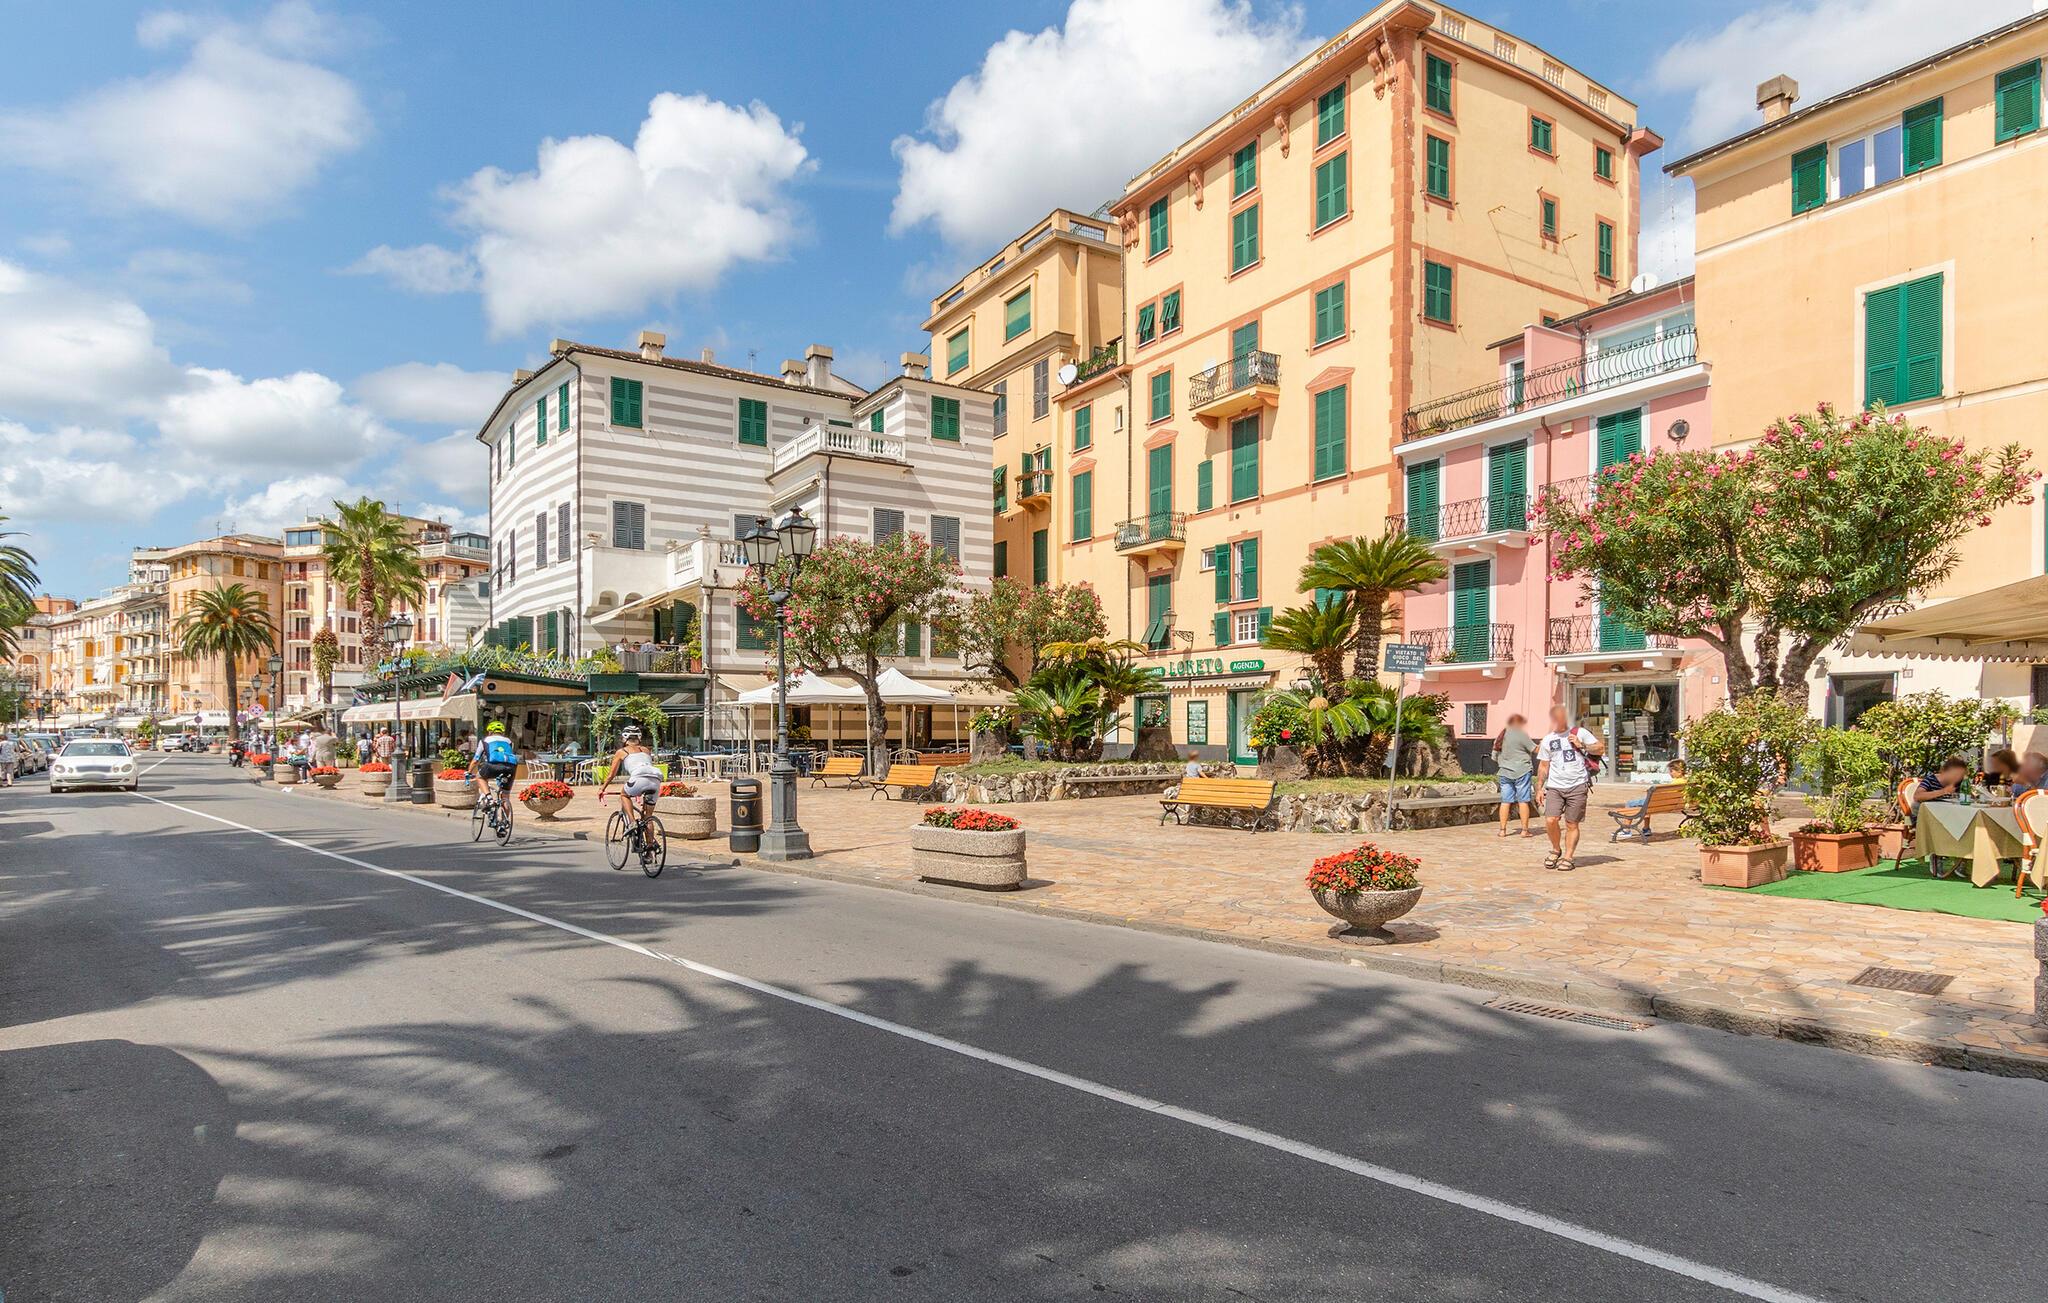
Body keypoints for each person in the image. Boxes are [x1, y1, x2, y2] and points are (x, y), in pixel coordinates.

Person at [1534, 705, 1604, 872]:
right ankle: (1556, 849)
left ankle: (1568, 857)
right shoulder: (1548, 739)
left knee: (1572, 823)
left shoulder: (1580, 732)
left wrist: (1582, 745)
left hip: (1577, 785)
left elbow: (1600, 748)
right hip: (1555, 786)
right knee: (1550, 820)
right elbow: (1543, 765)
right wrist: (1539, 788)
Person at [596, 725, 663, 839]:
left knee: (624, 795)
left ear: (624, 738)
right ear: (639, 738)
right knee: (648, 817)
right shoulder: (646, 750)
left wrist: (602, 788)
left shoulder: (621, 752)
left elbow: (612, 774)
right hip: (655, 779)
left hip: (638, 778)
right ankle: (650, 847)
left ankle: (632, 822)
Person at [1491, 715, 1538, 837]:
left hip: (1504, 772)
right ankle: (1524, 831)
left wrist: (1505, 762)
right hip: (1522, 771)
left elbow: (1494, 757)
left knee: (1505, 801)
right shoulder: (1521, 735)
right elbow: (1535, 749)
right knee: (1523, 801)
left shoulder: (1500, 736)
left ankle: (1502, 830)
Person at [471, 721, 520, 804]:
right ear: (502, 732)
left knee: (479, 777)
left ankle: (489, 798)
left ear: (490, 731)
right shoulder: (509, 741)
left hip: (492, 766)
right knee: (505, 797)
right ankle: (506, 812)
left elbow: (476, 759)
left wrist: (469, 771)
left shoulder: (485, 740)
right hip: (510, 768)